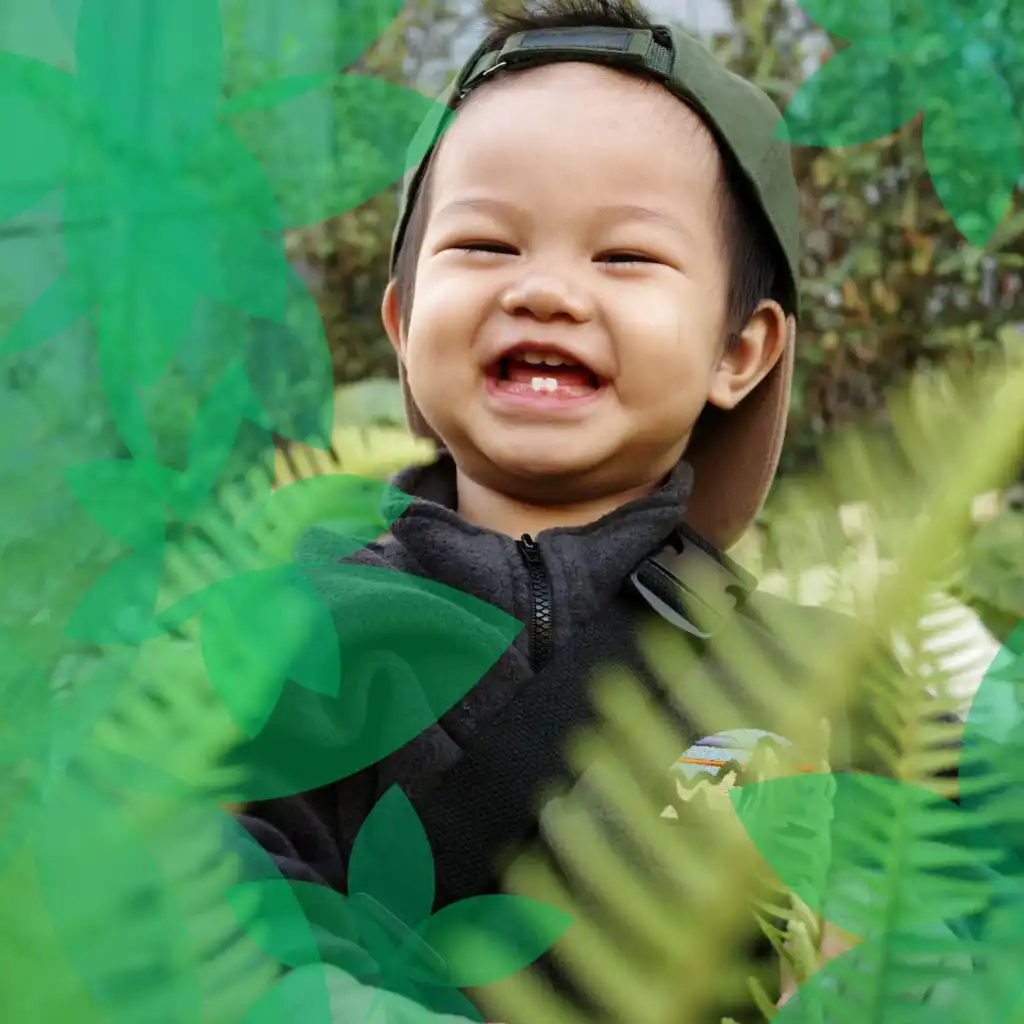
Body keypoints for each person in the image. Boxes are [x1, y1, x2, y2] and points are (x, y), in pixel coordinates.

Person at [238, 1, 881, 1018]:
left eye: (622, 257)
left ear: (738, 351)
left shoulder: (806, 674)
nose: (545, 291)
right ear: (403, 324)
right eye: (487, 245)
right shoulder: (295, 638)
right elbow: (215, 896)